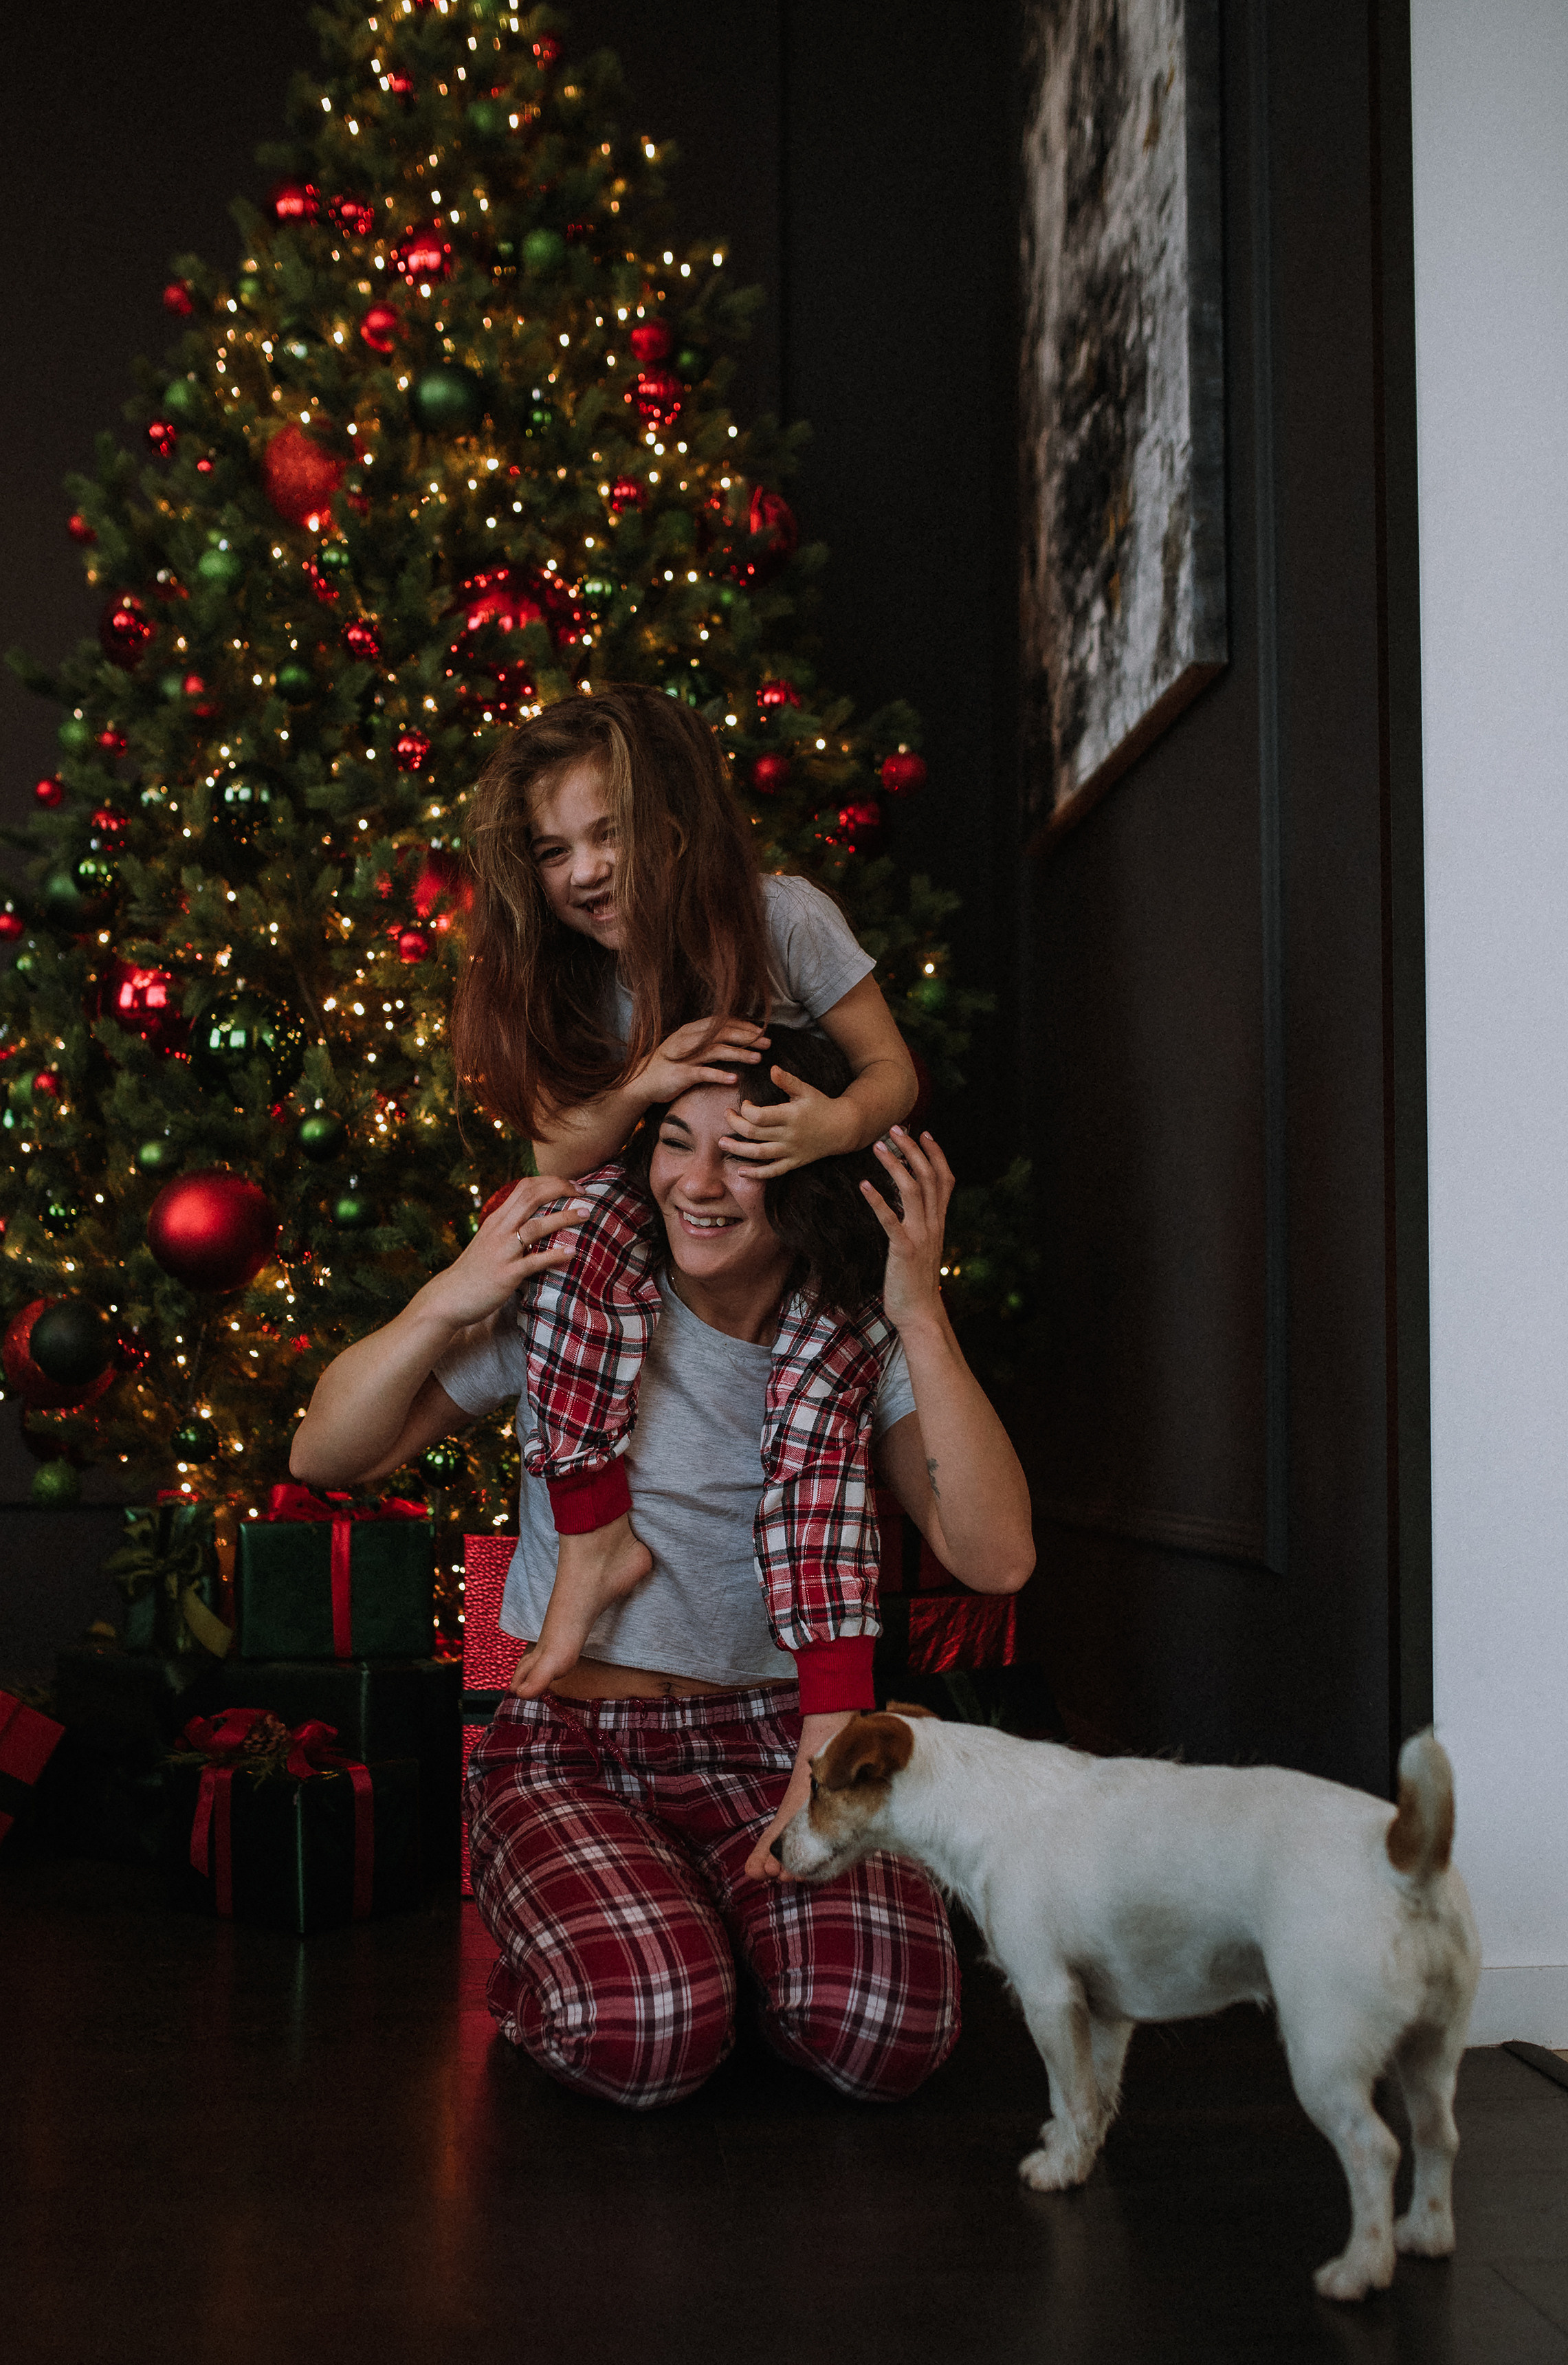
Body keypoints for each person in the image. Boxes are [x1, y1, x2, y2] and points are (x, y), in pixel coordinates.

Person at [290, 1031, 1035, 2109]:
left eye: (741, 1154)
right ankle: (663, 1952)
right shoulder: (573, 1306)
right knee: (647, 2029)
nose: (697, 1182)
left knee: (887, 2033)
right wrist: (451, 1294)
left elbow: (996, 1555)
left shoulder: (851, 1336)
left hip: (785, 1742)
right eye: (675, 1144)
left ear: (808, 1165)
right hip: (577, 1745)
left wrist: (918, 1312)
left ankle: (723, 1938)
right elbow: (328, 1453)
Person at [450, 684, 921, 1693]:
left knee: (816, 1419)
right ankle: (591, 1538)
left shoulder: (781, 917)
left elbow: (892, 1072)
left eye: (607, 836)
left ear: (673, 822)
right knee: (569, 1239)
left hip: (798, 1216)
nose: (584, 873)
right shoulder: (578, 974)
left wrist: (831, 1126)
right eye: (552, 851)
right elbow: (552, 1156)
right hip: (658, 1216)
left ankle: (832, 1704)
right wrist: (651, 1079)